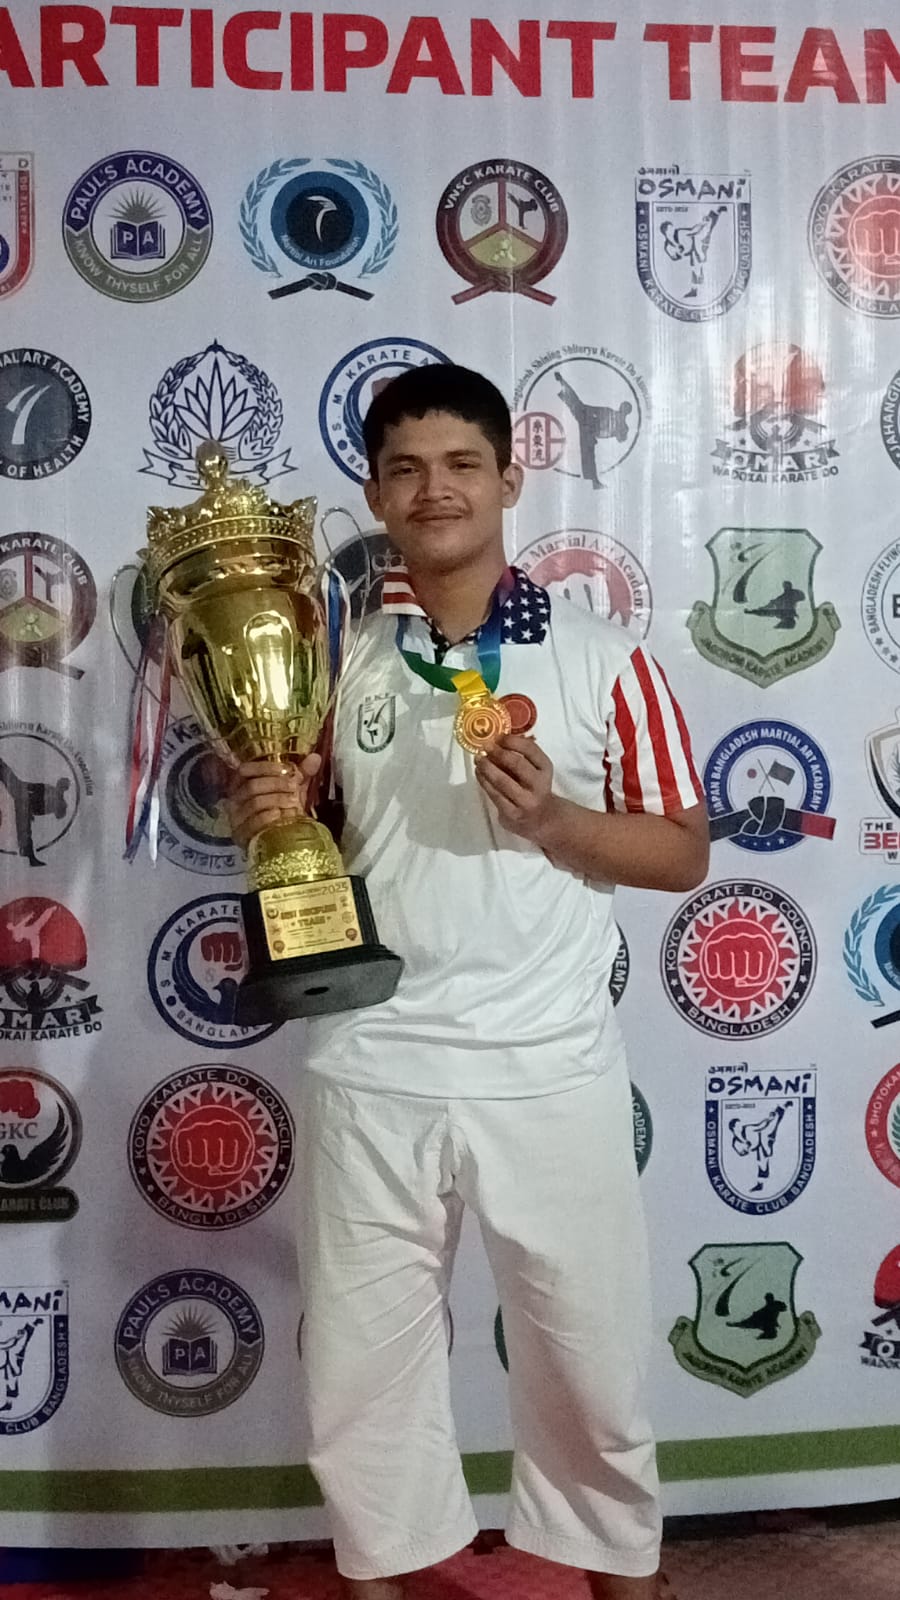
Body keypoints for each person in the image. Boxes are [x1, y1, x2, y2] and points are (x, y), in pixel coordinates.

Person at [228, 365, 709, 1600]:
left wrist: (556, 821)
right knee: (360, 1381)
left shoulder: (605, 659)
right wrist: (272, 814)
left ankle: (626, 1585)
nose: (433, 489)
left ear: (509, 478)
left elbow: (682, 852)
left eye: (459, 464)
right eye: (405, 469)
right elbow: (319, 852)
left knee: (592, 1371)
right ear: (376, 496)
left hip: (547, 1069)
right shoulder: (339, 663)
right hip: (370, 1067)